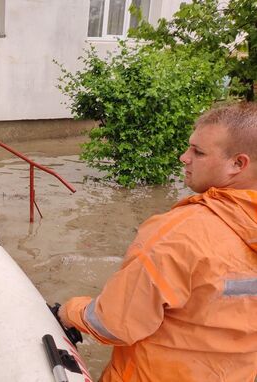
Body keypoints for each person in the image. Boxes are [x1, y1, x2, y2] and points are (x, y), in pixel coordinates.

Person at [58, 103, 257, 381]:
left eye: (198, 152)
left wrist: (68, 312)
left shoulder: (180, 233)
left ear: (238, 163)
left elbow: (113, 323)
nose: (183, 157)